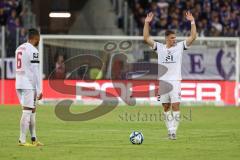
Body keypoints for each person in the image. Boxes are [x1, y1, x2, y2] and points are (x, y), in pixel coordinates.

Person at [143, 11, 197, 140]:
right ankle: (170, 131)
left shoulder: (180, 46)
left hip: (175, 81)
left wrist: (192, 21)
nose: (175, 39)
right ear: (167, 38)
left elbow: (193, 37)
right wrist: (146, 23)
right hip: (163, 82)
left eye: (175, 38)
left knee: (176, 105)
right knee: (166, 107)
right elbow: (146, 38)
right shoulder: (159, 47)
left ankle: (173, 132)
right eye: (172, 38)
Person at [15, 28, 43, 146]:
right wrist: (40, 89)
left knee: (32, 111)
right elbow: (36, 71)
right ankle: (22, 140)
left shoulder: (19, 48)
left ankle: (33, 138)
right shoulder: (33, 50)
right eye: (39, 38)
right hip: (28, 85)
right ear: (35, 37)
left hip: (19, 83)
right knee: (27, 112)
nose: (39, 40)